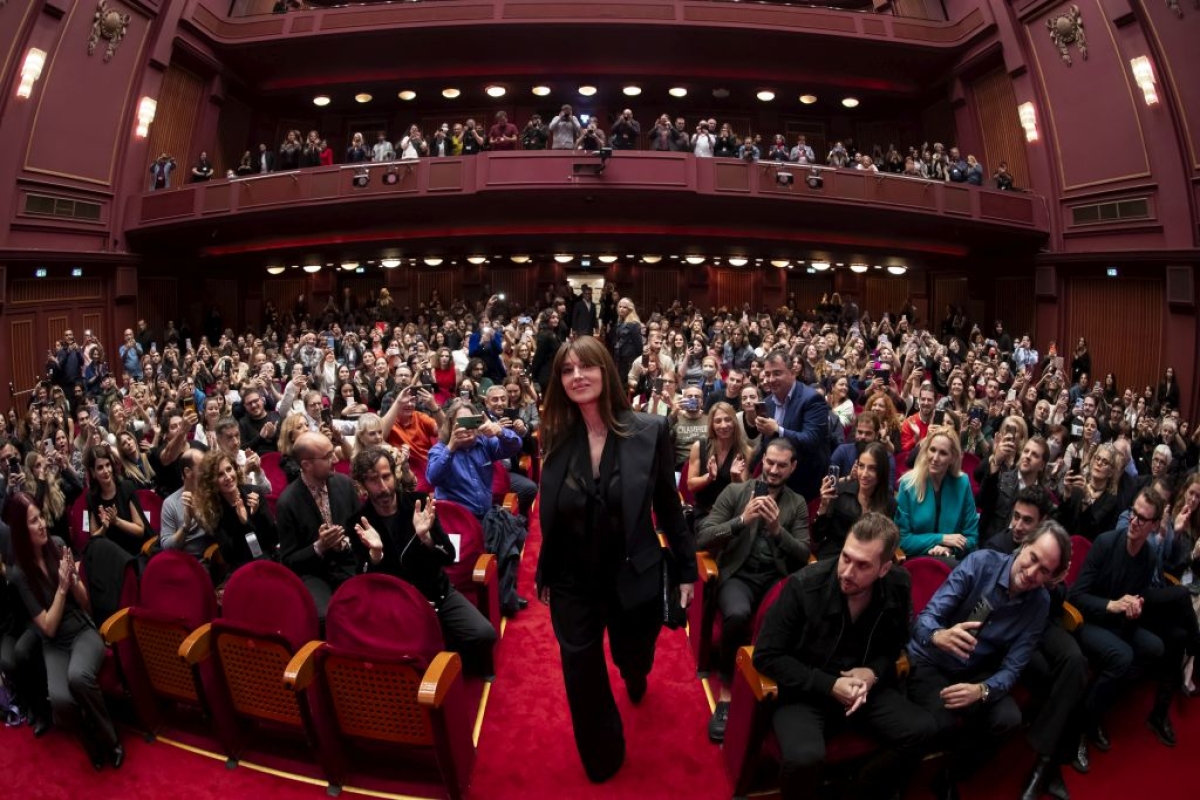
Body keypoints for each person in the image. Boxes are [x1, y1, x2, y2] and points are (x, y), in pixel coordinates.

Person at [535, 336, 695, 783]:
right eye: (567, 370)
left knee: (633, 657)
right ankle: (603, 756)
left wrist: (686, 569)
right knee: (580, 669)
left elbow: (668, 506)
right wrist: (546, 570)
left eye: (586, 367)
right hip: (573, 578)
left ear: (606, 371)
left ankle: (635, 673)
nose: (577, 377)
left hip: (631, 571)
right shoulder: (557, 435)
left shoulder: (649, 430)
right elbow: (552, 513)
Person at [753, 513, 934, 799]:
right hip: (808, 690)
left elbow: (896, 644)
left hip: (862, 688)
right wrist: (829, 685)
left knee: (924, 730)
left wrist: (873, 673)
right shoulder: (803, 586)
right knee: (804, 758)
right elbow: (766, 655)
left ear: (885, 568)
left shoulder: (899, 584)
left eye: (863, 565)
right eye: (846, 557)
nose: (848, 572)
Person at [908, 522, 1071, 800]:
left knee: (1008, 718)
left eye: (1044, 570)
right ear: (1023, 545)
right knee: (944, 722)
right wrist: (939, 635)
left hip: (975, 669)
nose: (1032, 573)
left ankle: (951, 774)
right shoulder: (981, 563)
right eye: (1032, 558)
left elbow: (1013, 668)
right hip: (932, 661)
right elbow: (924, 620)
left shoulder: (1039, 603)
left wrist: (982, 691)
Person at [695, 438, 810, 743]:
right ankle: (727, 692)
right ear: (762, 461)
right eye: (769, 462)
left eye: (781, 465)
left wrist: (777, 530)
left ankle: (775, 693)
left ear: (792, 467)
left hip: (775, 579)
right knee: (737, 614)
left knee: (789, 617)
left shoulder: (797, 503)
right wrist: (742, 520)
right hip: (738, 576)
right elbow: (703, 537)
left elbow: (803, 553)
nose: (773, 470)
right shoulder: (735, 492)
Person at [1070, 489, 1200, 752]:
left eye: (1142, 519)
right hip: (1089, 619)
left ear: (1154, 525)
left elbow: (1137, 596)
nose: (1133, 521)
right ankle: (1082, 726)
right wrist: (1112, 605)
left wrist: (1134, 610)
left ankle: (1100, 702)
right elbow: (1076, 596)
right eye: (1133, 513)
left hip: (1117, 621)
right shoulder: (1106, 543)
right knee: (1123, 656)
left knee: (1155, 647)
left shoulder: (1148, 556)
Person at [349, 447, 497, 675]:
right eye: (373, 480)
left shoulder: (419, 503)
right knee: (410, 656)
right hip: (395, 604)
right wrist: (376, 554)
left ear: (395, 474)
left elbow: (448, 556)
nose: (383, 487)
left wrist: (426, 538)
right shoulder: (358, 523)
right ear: (362, 484)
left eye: (386, 476)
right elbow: (364, 580)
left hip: (436, 591)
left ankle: (451, 653)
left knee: (484, 633)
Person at [5, 492, 123, 769]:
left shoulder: (58, 545)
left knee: (78, 677)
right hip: (54, 642)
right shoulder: (20, 573)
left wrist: (74, 581)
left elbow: (85, 604)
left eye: (41, 517)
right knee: (59, 700)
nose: (42, 525)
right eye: (34, 521)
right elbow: (47, 627)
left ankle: (111, 741)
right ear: (21, 530)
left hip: (81, 630)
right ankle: (91, 744)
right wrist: (61, 588)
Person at [274, 432, 358, 620]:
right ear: (306, 465)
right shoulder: (287, 503)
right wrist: (320, 546)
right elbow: (289, 561)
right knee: (326, 617)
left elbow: (360, 529)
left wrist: (343, 543)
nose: (336, 459)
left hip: (348, 562)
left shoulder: (344, 484)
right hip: (315, 573)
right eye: (328, 456)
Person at [427, 398, 521, 518]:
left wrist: (500, 432)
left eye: (471, 422)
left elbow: (515, 446)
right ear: (451, 425)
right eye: (462, 423)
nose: (467, 428)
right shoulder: (440, 449)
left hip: (485, 516)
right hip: (456, 519)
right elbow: (433, 479)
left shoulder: (484, 442)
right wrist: (451, 448)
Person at [755, 351, 830, 502]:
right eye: (767, 374)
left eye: (777, 373)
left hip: (804, 485)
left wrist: (777, 430)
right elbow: (766, 444)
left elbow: (812, 440)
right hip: (773, 483)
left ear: (793, 372)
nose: (771, 379)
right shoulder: (767, 403)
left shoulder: (812, 399)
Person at [895, 427, 979, 558]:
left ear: (953, 458)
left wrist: (949, 549)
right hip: (916, 557)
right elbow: (902, 540)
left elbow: (972, 537)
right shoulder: (908, 484)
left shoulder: (962, 483)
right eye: (932, 450)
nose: (935, 458)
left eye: (943, 453)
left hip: (951, 557)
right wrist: (941, 539)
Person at [192, 450, 278, 576]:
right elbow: (229, 556)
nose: (228, 477)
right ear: (212, 481)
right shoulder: (214, 510)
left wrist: (256, 515)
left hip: (267, 557)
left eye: (229, 469)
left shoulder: (254, 493)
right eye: (220, 474)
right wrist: (243, 524)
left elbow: (273, 538)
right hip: (242, 568)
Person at [812, 441, 895, 560]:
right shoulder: (840, 491)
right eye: (861, 466)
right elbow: (817, 536)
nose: (864, 474)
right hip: (836, 556)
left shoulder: (889, 503)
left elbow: (885, 545)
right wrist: (823, 506)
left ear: (882, 472)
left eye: (872, 468)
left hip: (868, 560)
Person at [686, 402, 751, 523]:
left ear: (735, 422)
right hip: (704, 511)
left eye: (728, 420)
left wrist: (735, 476)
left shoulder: (746, 451)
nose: (723, 425)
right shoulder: (699, 446)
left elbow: (744, 494)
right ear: (712, 424)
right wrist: (709, 477)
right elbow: (691, 485)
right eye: (718, 421)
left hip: (731, 514)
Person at [84, 444, 149, 556]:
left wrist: (116, 521)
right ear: (93, 472)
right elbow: (93, 539)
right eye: (100, 468)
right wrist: (104, 528)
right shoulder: (91, 497)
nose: (106, 471)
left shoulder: (126, 487)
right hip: (112, 554)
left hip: (136, 551)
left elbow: (140, 531)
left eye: (107, 465)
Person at [158, 447, 212, 558]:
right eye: (202, 467)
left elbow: (221, 533)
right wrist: (185, 527)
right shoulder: (170, 503)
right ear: (187, 472)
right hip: (183, 559)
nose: (207, 471)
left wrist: (198, 517)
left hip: (211, 556)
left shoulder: (211, 492)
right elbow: (166, 547)